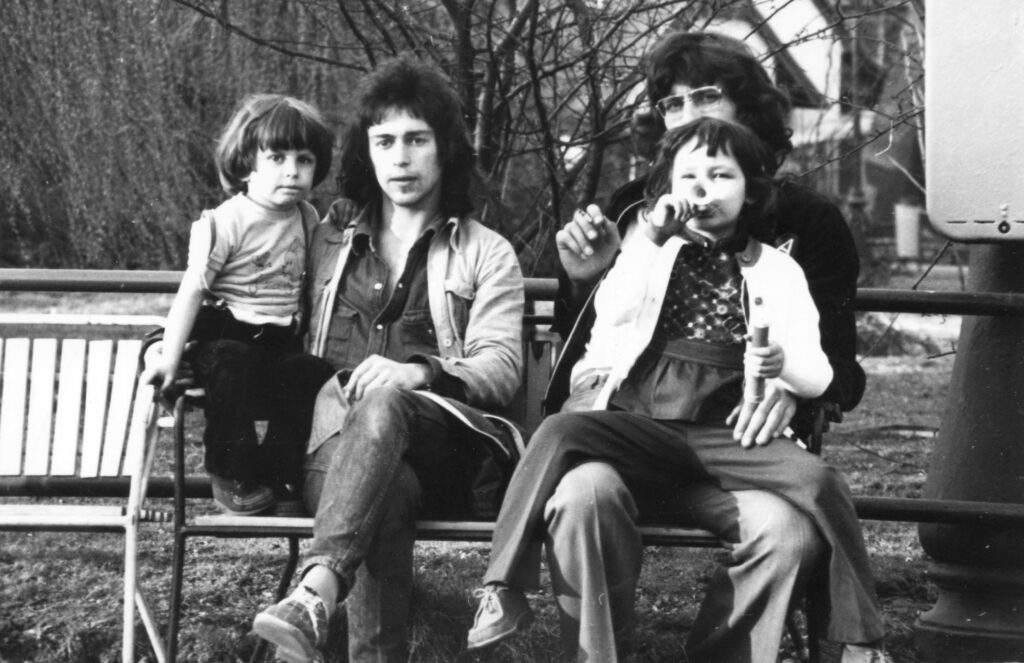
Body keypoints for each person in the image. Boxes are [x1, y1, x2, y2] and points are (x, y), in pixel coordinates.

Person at [468, 32, 890, 663]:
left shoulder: (804, 227)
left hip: (739, 442)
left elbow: (839, 375)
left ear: (748, 109)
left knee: (788, 534)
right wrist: (583, 279)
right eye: (670, 104)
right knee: (582, 494)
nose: (688, 114)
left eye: (706, 97)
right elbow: (593, 340)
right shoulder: (635, 213)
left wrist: (786, 380)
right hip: (630, 435)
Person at [250, 55, 525, 663]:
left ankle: (318, 586)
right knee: (387, 489)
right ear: (368, 153)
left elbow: (503, 367)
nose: (399, 157)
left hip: (442, 455)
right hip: (334, 453)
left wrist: (420, 371)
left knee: (385, 404)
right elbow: (246, 300)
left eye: (416, 140)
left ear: (444, 148)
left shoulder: (487, 253)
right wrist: (167, 342)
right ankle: (324, 605)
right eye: (385, 141)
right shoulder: (327, 241)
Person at [143, 94, 334, 515]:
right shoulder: (226, 221)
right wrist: (169, 357)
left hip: (279, 337)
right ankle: (232, 473)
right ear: (248, 163)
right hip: (226, 332)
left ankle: (283, 477)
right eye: (278, 157)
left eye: (304, 160)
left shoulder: (307, 218)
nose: (292, 170)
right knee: (232, 361)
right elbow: (192, 290)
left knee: (308, 372)